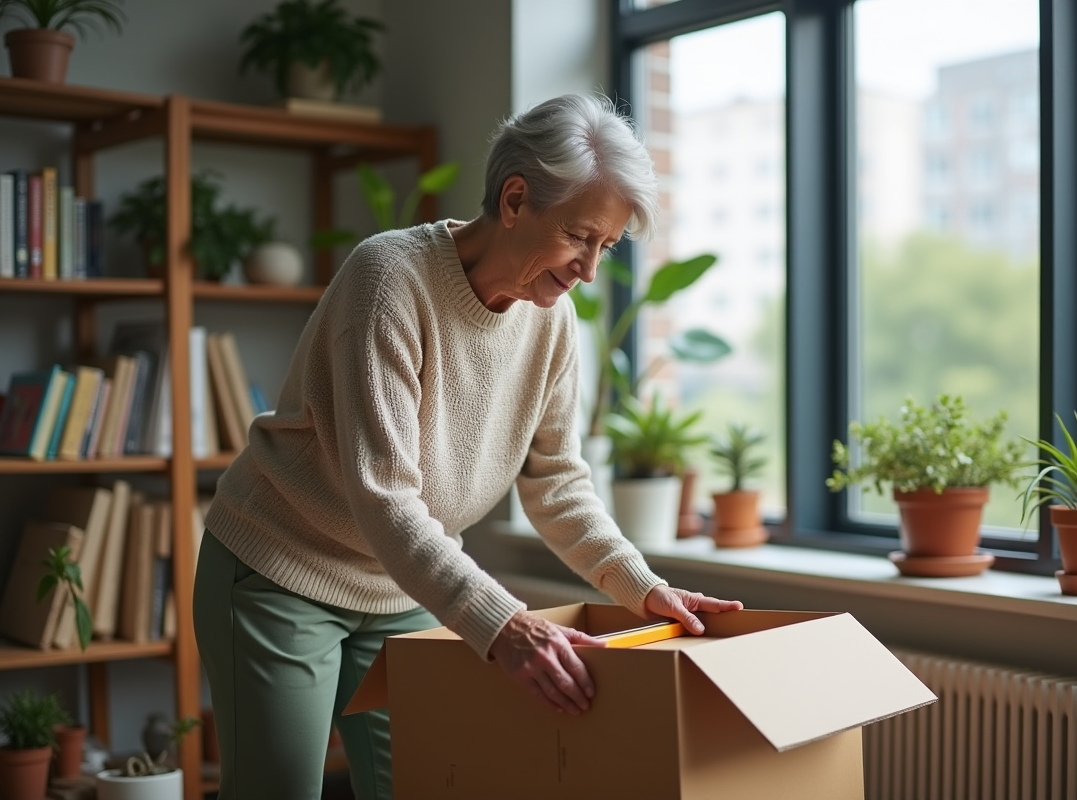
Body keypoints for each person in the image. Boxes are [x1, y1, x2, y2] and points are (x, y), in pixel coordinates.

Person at [192, 92, 743, 800]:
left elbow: (558, 483)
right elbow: (383, 495)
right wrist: (505, 627)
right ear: (515, 200)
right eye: (580, 236)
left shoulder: (553, 323)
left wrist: (644, 588)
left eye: (605, 247)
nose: (589, 270)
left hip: (403, 585)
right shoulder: (388, 279)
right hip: (282, 572)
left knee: (429, 783)